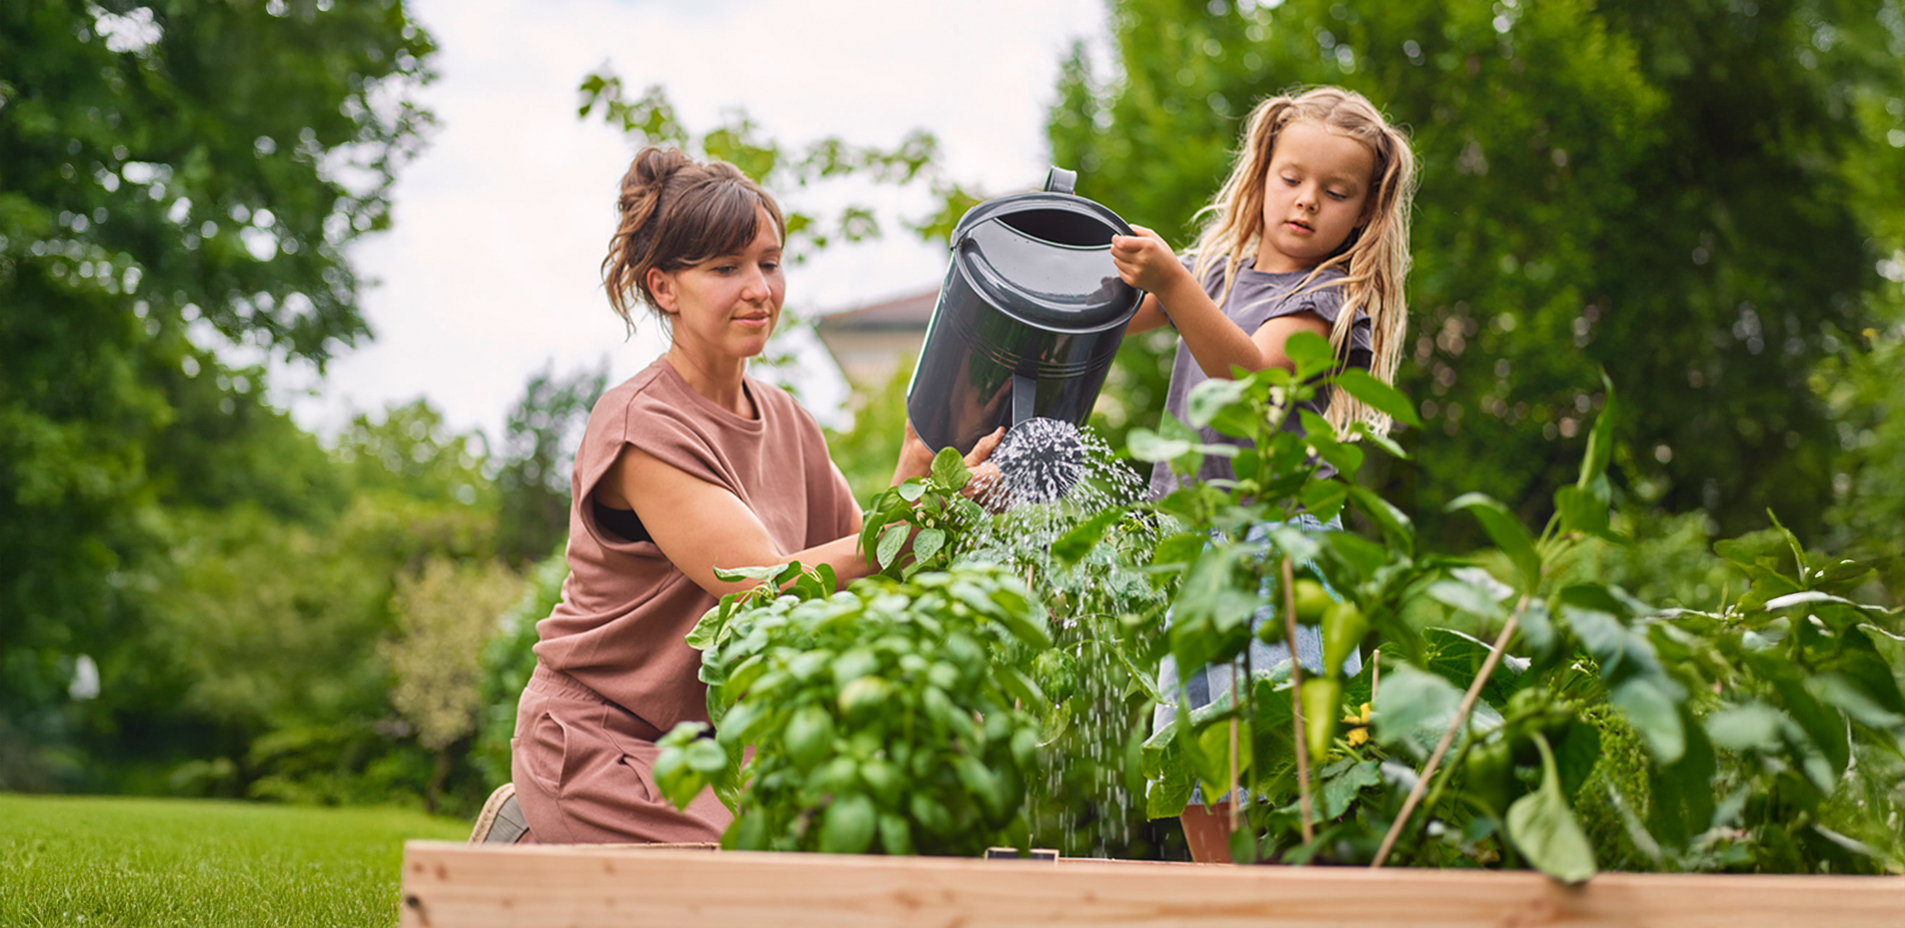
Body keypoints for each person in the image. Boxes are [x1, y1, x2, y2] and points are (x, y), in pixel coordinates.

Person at [483, 148, 1000, 845]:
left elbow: (865, 570)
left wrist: (918, 484)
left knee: (837, 859)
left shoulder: (788, 420)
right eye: (726, 268)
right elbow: (760, 583)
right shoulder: (640, 427)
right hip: (605, 738)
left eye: (769, 262)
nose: (759, 289)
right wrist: (908, 519)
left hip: (724, 745)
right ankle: (528, 828)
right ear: (665, 288)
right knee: (746, 883)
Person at [1108, 86, 1417, 862]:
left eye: (1335, 192)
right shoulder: (1215, 271)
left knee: (1272, 765)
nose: (1307, 201)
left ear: (1364, 212)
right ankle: (1220, 901)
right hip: (1199, 552)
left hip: (1277, 557)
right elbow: (1104, 319)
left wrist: (1172, 284)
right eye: (1292, 178)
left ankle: (1274, 901)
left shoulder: (1326, 299)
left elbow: (1248, 374)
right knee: (1191, 757)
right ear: (1261, 175)